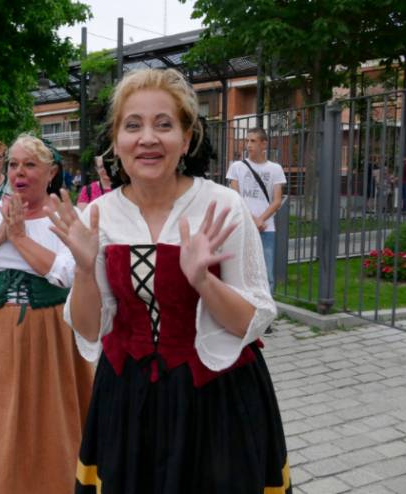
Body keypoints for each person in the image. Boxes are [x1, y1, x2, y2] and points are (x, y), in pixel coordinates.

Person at [46, 68, 289, 493]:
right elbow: (88, 329)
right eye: (132, 125)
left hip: (216, 398)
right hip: (128, 400)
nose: (148, 139)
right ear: (116, 140)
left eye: (163, 124)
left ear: (187, 138)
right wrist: (84, 270)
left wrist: (204, 282)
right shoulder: (99, 215)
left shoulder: (222, 205)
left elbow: (251, 321)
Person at [0, 134, 93, 493]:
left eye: (30, 164)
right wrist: (1, 235)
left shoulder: (64, 215)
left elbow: (66, 273)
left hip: (50, 329)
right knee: (2, 411)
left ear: (51, 172)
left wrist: (21, 238)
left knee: (49, 410)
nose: (18, 172)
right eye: (13, 164)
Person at [226, 127, 286, 294]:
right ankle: (244, 306)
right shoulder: (237, 167)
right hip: (242, 226)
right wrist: (253, 220)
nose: (248, 145)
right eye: (247, 141)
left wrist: (260, 220)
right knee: (240, 272)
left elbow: (277, 201)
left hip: (266, 228)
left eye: (253, 141)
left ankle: (266, 307)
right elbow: (236, 197)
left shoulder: (275, 169)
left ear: (263, 144)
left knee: (267, 274)